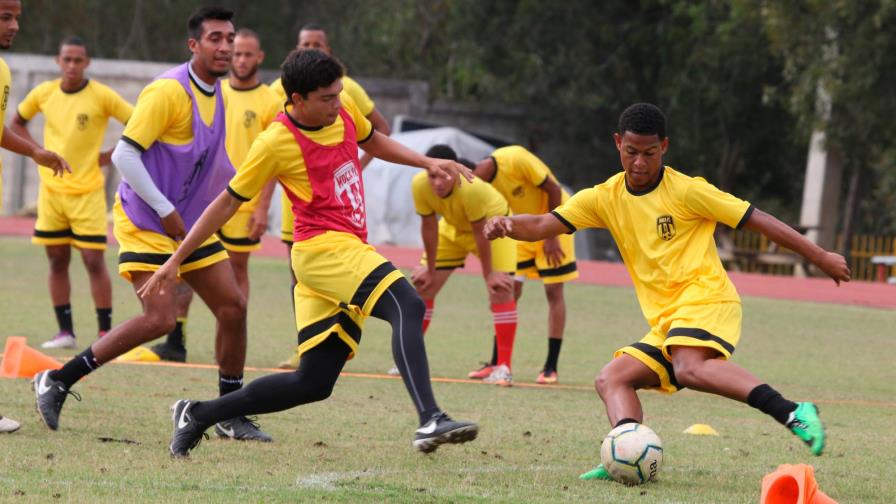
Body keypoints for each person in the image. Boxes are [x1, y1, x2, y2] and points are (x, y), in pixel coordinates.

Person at [138, 49, 478, 457]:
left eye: (338, 93)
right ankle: (431, 420)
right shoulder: (276, 141)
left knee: (313, 382)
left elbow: (374, 139)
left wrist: (425, 161)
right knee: (407, 302)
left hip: (344, 250)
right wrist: (176, 259)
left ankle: (197, 413)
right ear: (297, 99)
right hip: (323, 249)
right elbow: (226, 203)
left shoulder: (343, 106)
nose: (338, 102)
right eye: (327, 98)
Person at [483, 103, 850, 480]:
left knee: (689, 367)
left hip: (707, 300)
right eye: (631, 152)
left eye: (649, 153)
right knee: (612, 379)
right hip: (668, 320)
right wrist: (506, 223)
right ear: (617, 144)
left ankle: (792, 411)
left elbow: (759, 221)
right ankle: (626, 450)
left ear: (665, 147)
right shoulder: (604, 198)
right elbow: (544, 223)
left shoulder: (689, 191)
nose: (639, 163)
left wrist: (819, 256)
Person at [32, 6, 270, 443]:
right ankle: (57, 379)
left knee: (233, 307)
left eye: (229, 38)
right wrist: (164, 208)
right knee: (160, 318)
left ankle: (229, 414)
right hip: (146, 218)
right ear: (194, 45)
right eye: (215, 38)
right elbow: (125, 154)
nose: (225, 46)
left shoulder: (220, 94)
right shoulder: (167, 91)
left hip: (188, 221)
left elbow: (208, 160)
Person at [130, 28, 280, 363]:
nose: (239, 58)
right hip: (202, 198)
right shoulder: (214, 90)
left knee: (236, 268)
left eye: (246, 53)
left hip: (243, 200)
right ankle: (176, 338)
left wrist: (263, 207)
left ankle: (228, 337)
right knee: (184, 262)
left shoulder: (270, 100)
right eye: (235, 52)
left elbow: (276, 161)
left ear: (260, 58)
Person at [271, 24, 393, 369]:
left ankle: (331, 341)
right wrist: (261, 203)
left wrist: (359, 165)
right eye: (305, 43)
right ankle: (307, 343)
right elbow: (270, 155)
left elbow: (379, 132)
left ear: (329, 48)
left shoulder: (347, 91)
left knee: (348, 273)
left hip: (340, 205)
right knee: (301, 276)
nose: (312, 47)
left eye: (318, 43)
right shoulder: (281, 92)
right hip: (298, 204)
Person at [11, 36, 132, 350]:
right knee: (56, 260)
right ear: (58, 61)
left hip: (87, 192)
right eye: (67, 59)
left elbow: (138, 123)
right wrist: (37, 151)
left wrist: (111, 155)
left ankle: (106, 333)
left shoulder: (101, 96)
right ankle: (65, 332)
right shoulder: (44, 93)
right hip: (51, 193)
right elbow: (16, 122)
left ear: (87, 63)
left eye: (78, 60)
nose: (72, 65)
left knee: (93, 260)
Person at [409, 145, 518, 386]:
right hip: (453, 228)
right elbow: (428, 226)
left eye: (443, 175)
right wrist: (430, 267)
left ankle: (503, 367)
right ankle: (411, 359)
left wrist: (489, 274)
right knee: (424, 286)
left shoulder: (470, 189)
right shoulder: (419, 184)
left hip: (494, 227)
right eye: (432, 175)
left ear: (455, 171)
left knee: (500, 289)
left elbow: (481, 234)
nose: (437, 182)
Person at [472, 146, 577, 384]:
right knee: (508, 291)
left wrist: (552, 235)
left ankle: (551, 367)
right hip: (522, 229)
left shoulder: (515, 158)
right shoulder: (482, 189)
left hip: (556, 221)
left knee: (553, 290)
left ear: (474, 172)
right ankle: (497, 362)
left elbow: (553, 189)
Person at [0, 0, 71, 209]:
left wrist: (33, 151)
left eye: (16, 18)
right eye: (5, 18)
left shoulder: (3, 70)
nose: (15, 26)